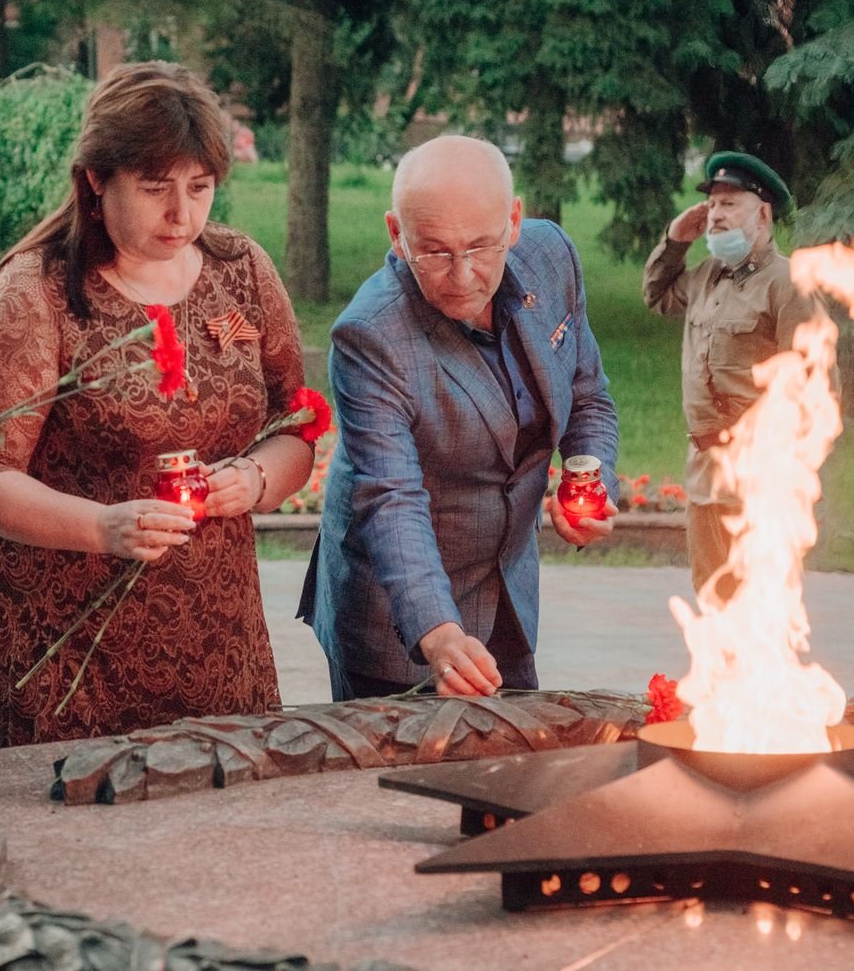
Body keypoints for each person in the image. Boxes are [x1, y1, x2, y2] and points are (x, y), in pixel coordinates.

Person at [0, 63, 314, 752]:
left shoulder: (242, 271)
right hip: (59, 632)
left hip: (212, 623)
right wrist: (102, 526)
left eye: (199, 187)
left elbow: (297, 424)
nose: (182, 214)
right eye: (154, 188)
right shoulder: (37, 291)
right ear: (95, 178)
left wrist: (258, 477)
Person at [301, 136, 620, 699]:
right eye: (435, 252)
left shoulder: (552, 258)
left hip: (509, 598)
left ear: (513, 221)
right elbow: (391, 498)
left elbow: (587, 394)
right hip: (396, 619)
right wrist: (438, 631)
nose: (463, 275)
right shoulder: (370, 336)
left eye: (480, 247)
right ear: (396, 234)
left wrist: (590, 480)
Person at [643, 152, 823, 600]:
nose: (715, 215)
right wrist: (675, 240)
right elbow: (656, 295)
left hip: (760, 475)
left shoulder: (788, 284)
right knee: (712, 598)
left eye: (729, 204)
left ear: (763, 215)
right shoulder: (706, 276)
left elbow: (816, 384)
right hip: (705, 471)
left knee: (760, 604)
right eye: (712, 205)